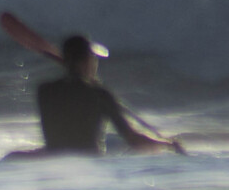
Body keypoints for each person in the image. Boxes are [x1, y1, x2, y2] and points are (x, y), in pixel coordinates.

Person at [31, 34, 181, 155]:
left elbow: (71, 93)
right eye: (93, 58)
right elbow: (133, 140)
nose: (96, 63)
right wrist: (167, 144)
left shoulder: (44, 91)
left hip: (54, 163)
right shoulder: (99, 94)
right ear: (87, 61)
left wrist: (82, 77)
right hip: (90, 166)